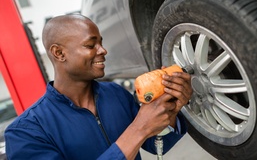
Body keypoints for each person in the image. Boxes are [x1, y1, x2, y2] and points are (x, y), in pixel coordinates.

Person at [4, 14, 192, 160]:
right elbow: (138, 132)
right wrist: (138, 129)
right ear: (59, 53)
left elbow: (157, 144)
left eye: (101, 42)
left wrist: (170, 112)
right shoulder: (25, 132)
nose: (103, 50)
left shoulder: (117, 94)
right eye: (90, 45)